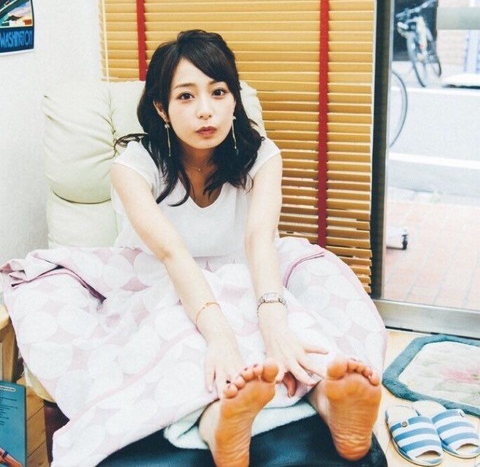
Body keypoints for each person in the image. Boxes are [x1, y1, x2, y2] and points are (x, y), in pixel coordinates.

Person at [1, 29, 387, 467]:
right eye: (186, 96)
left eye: (218, 92)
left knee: (295, 325)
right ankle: (217, 419)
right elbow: (172, 254)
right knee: (186, 336)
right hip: (161, 278)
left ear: (234, 99)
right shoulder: (132, 166)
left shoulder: (263, 156)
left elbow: (259, 239)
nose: (206, 110)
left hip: (251, 270)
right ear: (161, 108)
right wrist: (220, 334)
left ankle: (330, 401)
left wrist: (274, 318)